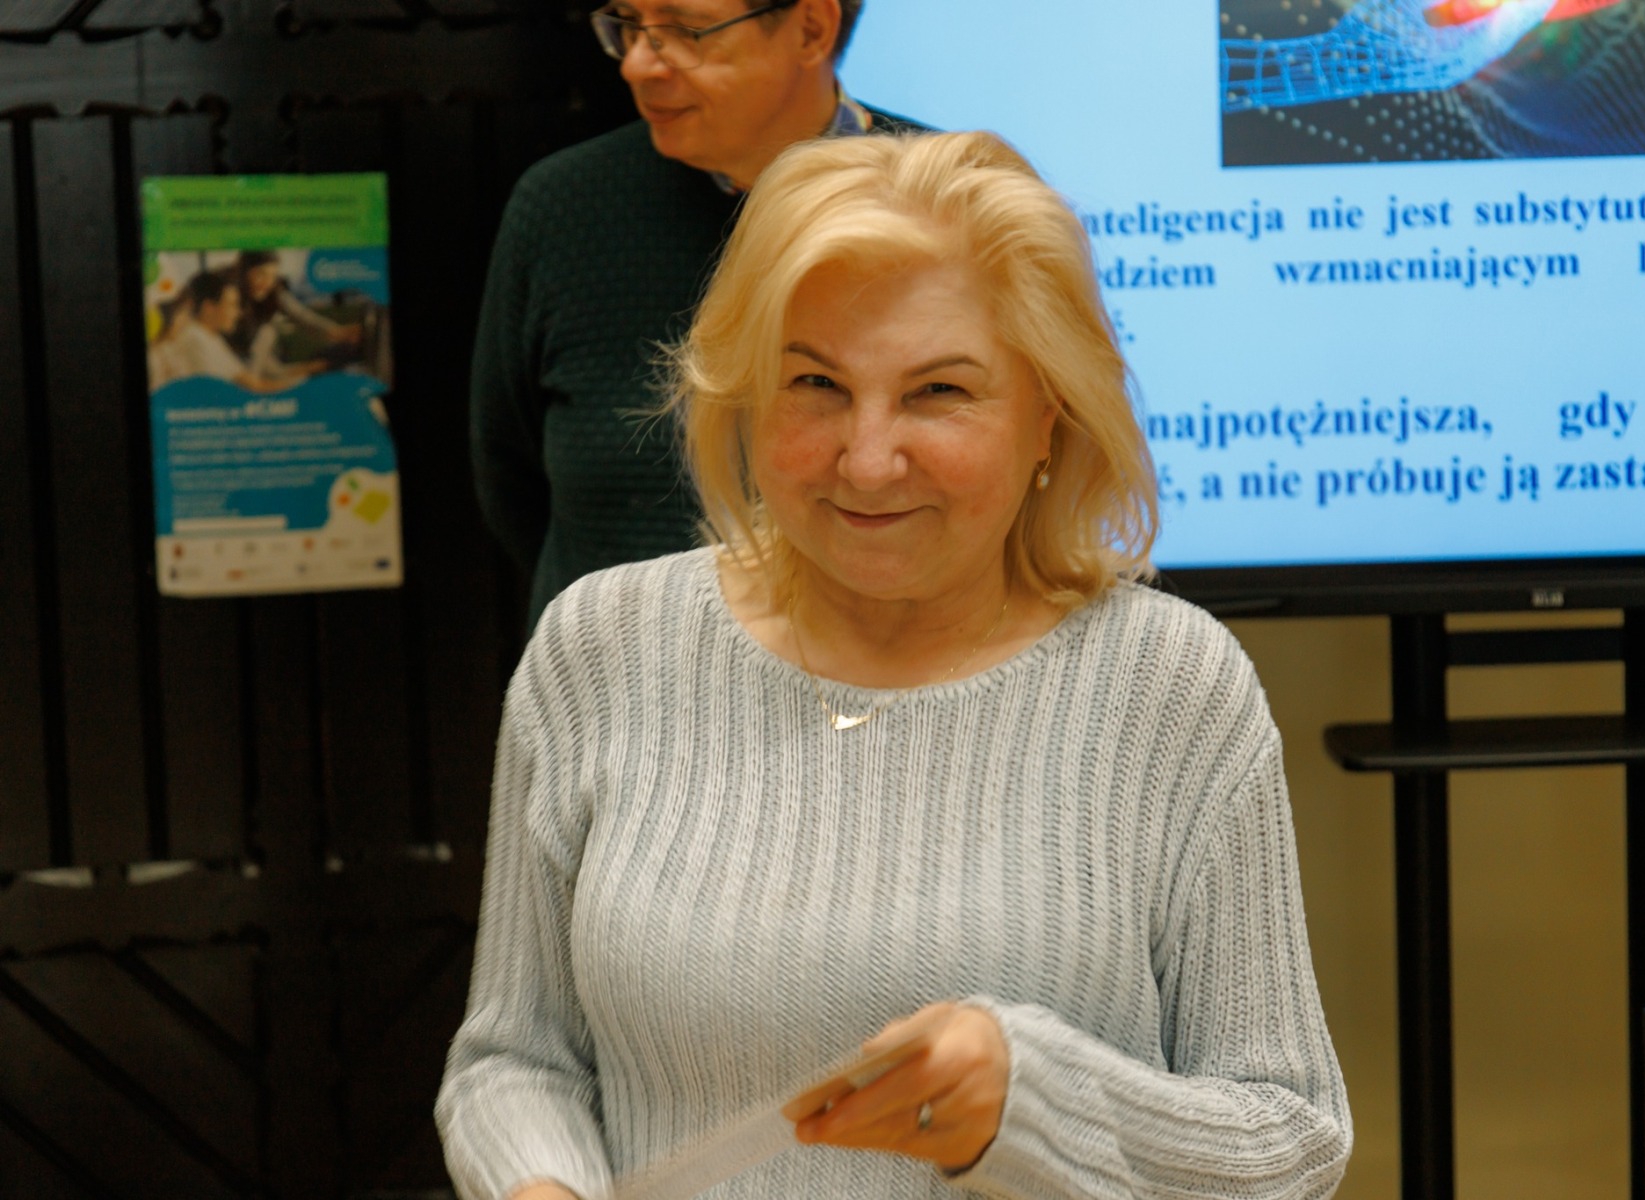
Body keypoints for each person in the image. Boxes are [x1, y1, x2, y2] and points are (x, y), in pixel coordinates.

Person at [437, 132, 1352, 1199]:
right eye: (816, 384)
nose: (868, 460)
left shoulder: (1168, 687)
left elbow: (1290, 1144)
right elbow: (514, 1062)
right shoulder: (602, 649)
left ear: (1049, 413)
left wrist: (1032, 1103)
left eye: (938, 392)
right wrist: (541, 1185)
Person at [469, 0, 924, 631]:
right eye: (630, 23)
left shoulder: (956, 205)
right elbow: (508, 477)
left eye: (686, 30)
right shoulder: (560, 208)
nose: (637, 65)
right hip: (621, 675)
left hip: (897, 669)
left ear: (811, 28)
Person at [151, 270, 318, 394]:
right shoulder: (195, 338)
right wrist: (308, 387)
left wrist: (308, 379)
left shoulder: (211, 338)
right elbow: (252, 387)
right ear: (209, 308)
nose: (238, 313)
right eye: (232, 305)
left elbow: (253, 382)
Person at [231, 250, 361, 380]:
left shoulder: (274, 293)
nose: (266, 283)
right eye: (260, 274)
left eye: (272, 276)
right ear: (243, 271)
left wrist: (339, 331)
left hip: (267, 364)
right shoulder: (229, 296)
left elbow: (302, 316)